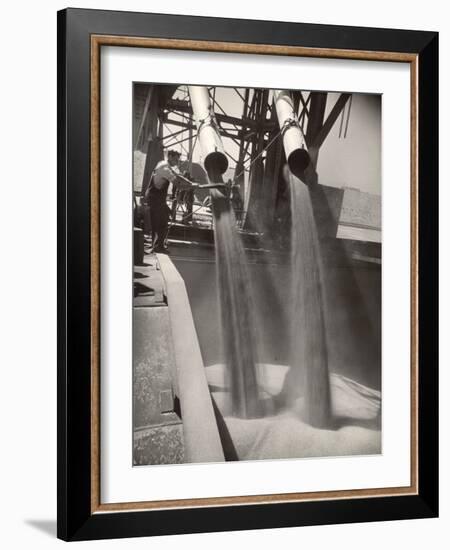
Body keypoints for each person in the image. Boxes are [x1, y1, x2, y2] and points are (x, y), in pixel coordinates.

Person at [145, 150, 196, 253]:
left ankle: (157, 245)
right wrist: (190, 187)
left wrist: (189, 182)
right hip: (155, 198)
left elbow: (177, 176)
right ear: (170, 157)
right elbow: (178, 184)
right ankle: (158, 247)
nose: (177, 162)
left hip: (156, 197)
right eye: (176, 159)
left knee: (160, 221)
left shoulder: (164, 164)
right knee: (162, 221)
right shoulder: (165, 169)